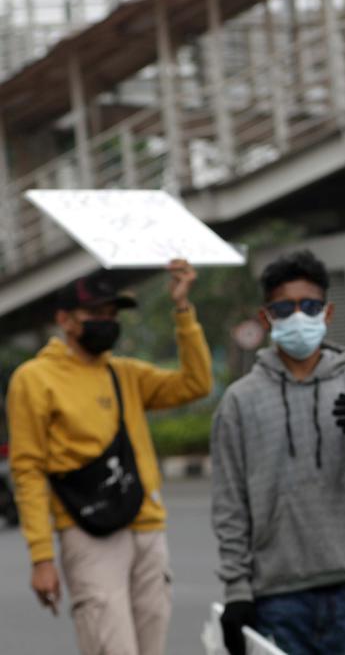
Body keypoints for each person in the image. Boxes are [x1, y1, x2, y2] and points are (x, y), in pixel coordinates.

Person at [7, 261, 212, 655]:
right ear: (65, 320)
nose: (107, 322)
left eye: (111, 314)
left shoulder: (125, 374)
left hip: (147, 526)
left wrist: (183, 309)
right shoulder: (34, 379)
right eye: (95, 314)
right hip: (88, 535)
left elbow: (196, 383)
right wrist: (42, 557)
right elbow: (28, 470)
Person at [211, 250, 345, 655]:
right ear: (266, 318)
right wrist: (237, 589)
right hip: (276, 596)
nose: (298, 316)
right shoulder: (239, 403)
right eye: (285, 307)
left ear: (327, 314)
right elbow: (230, 506)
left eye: (309, 306)